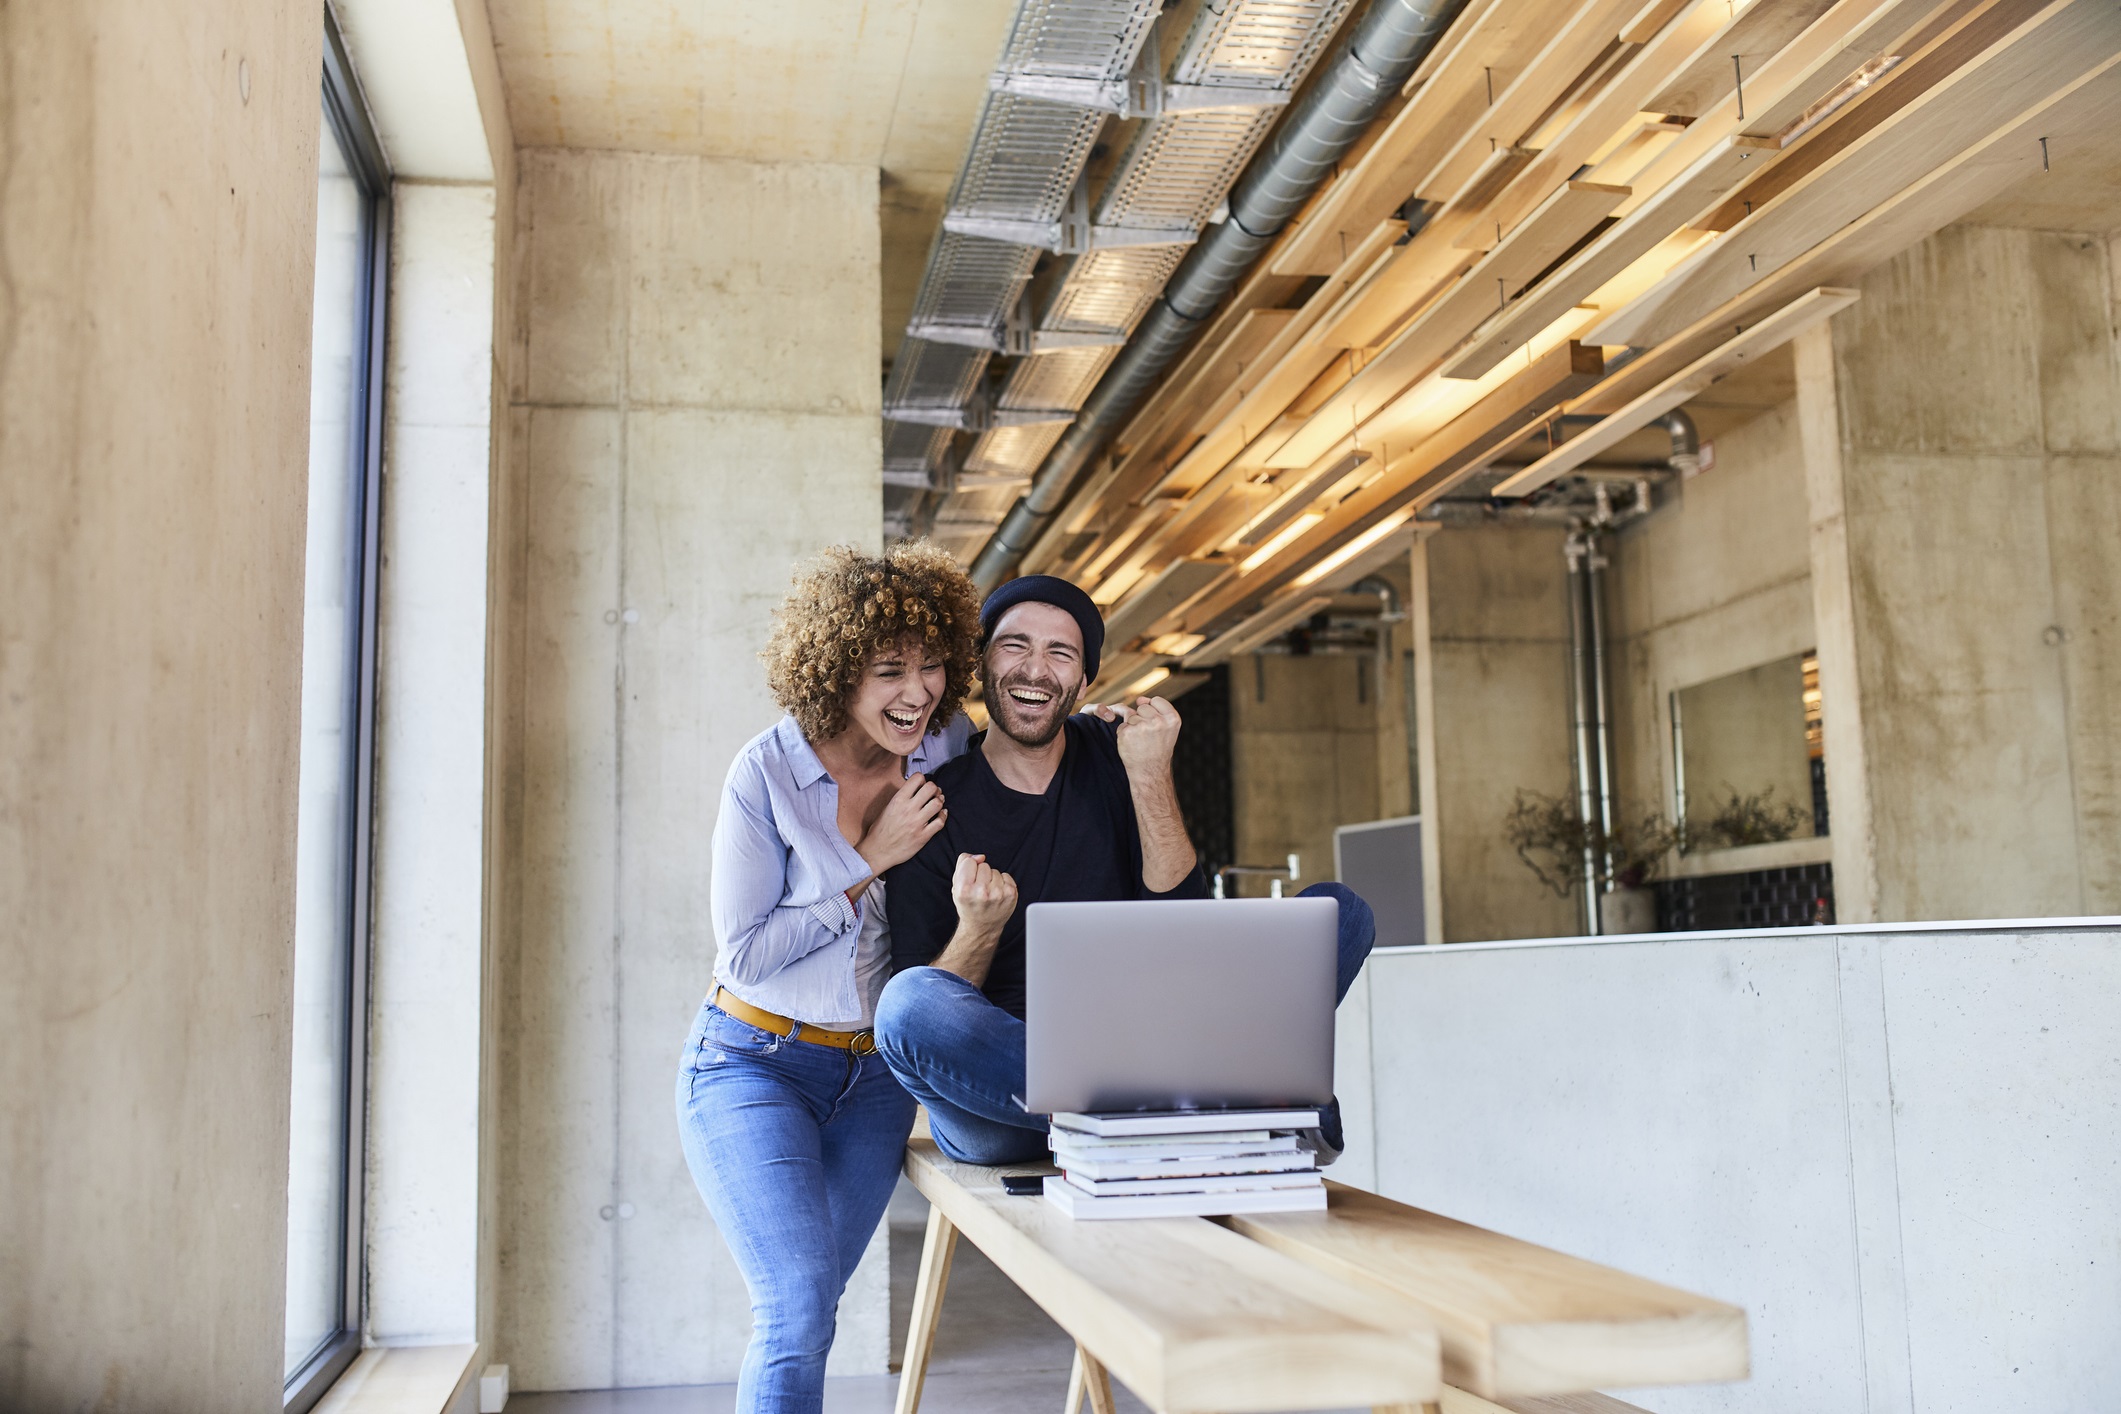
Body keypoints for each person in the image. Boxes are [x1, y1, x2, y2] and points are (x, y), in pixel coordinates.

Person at [872, 574, 1375, 1167]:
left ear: (1084, 684)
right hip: (1010, 1108)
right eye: (1014, 646)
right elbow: (925, 1021)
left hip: (1150, 1038)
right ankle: (1208, 1100)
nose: (1035, 669)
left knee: (1342, 911)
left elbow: (1181, 926)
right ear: (982, 665)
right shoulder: (932, 807)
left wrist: (1149, 774)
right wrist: (979, 930)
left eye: (1060, 653)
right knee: (907, 1004)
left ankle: (1171, 1100)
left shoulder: (1121, 755)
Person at [675, 543, 981, 1414]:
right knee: (795, 1306)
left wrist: (1106, 730)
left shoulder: (943, 745)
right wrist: (865, 861)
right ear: (837, 671)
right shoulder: (766, 774)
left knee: (812, 1310)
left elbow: (1032, 755)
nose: (915, 691)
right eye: (889, 670)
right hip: (751, 1062)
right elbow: (746, 953)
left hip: (876, 1080)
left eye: (930, 667)